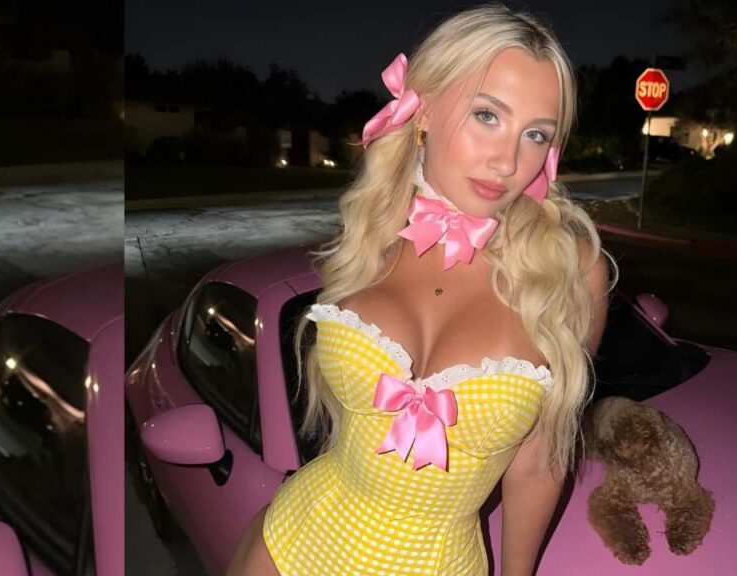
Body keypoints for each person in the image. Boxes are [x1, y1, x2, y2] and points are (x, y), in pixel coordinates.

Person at [226, 4, 615, 575]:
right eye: (487, 115)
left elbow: (538, 460)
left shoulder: (569, 272)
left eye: (535, 134)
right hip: (291, 544)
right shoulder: (374, 230)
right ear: (423, 108)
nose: (508, 160)